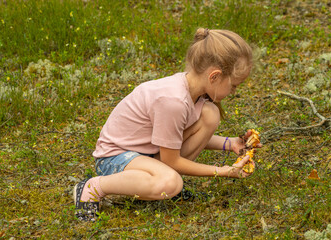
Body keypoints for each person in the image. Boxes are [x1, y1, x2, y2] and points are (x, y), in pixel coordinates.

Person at [73, 28, 261, 221]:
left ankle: (154, 184)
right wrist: (223, 171)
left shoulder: (193, 94)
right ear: (214, 76)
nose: (234, 92)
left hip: (145, 155)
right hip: (114, 158)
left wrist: (230, 144)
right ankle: (94, 187)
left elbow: (174, 137)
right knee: (170, 182)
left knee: (210, 115)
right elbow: (172, 160)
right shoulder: (173, 101)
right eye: (234, 85)